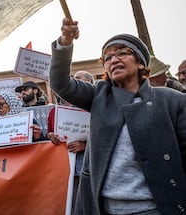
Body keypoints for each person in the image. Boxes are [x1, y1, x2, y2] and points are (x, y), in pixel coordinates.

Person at [49, 18, 186, 215]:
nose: (113, 60)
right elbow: (60, 84)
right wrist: (65, 41)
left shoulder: (172, 101)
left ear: (141, 63)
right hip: (103, 209)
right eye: (107, 58)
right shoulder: (98, 96)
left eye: (122, 53)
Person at [47, 70, 93, 213]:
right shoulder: (55, 112)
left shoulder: (96, 107)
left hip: (90, 168)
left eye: (79, 79)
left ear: (90, 84)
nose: (74, 82)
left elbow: (105, 136)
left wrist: (85, 146)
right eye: (73, 79)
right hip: (65, 169)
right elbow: (49, 135)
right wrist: (51, 137)